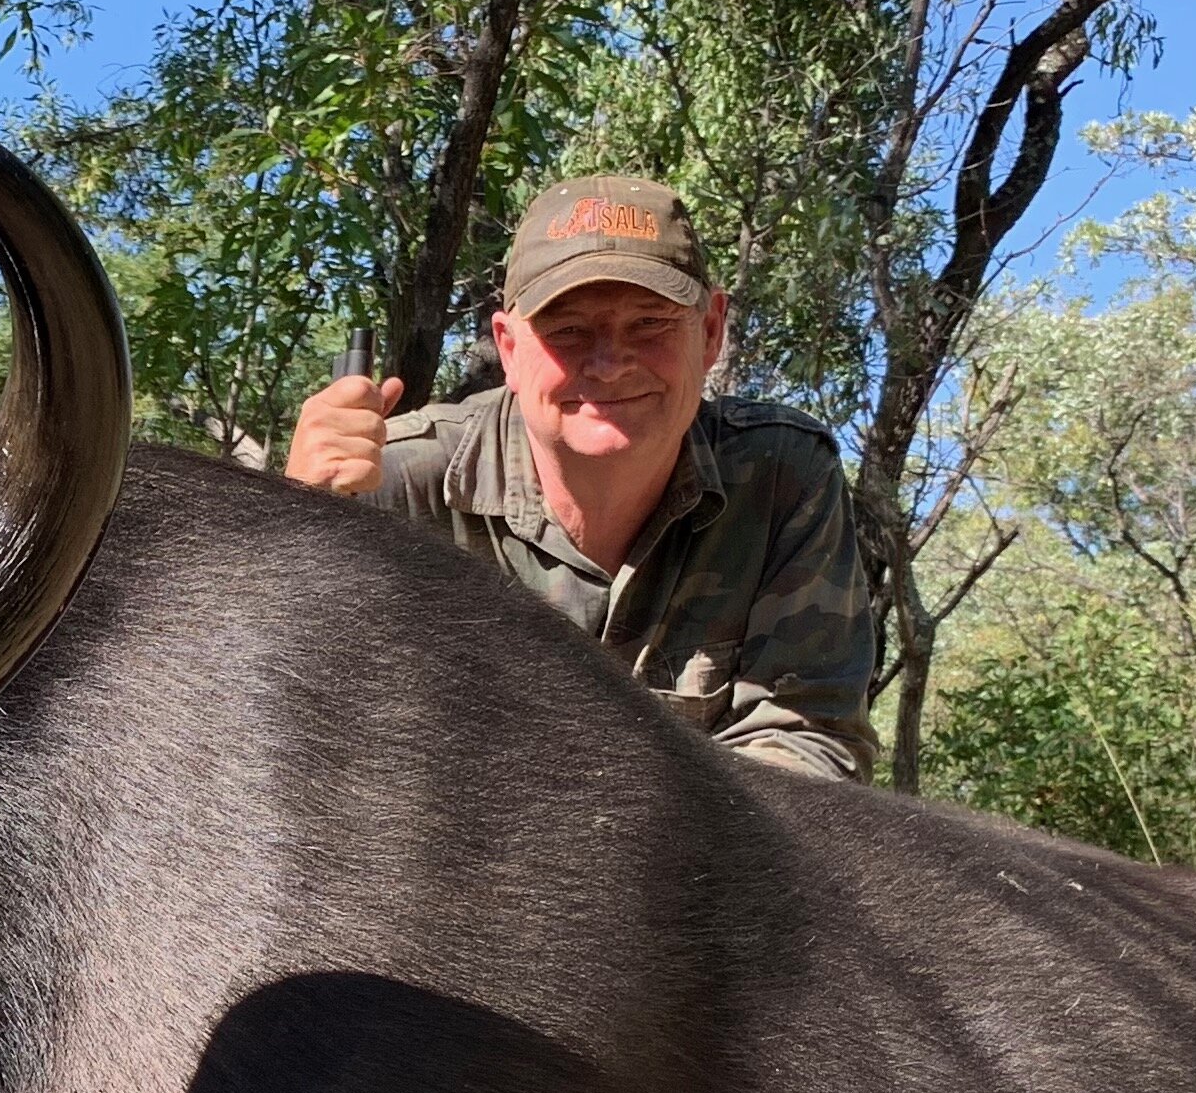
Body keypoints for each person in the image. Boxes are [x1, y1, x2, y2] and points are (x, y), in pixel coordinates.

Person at [283, 175, 879, 779]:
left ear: (710, 332)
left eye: (649, 322)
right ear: (509, 350)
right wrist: (290, 529)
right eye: (568, 330)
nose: (611, 362)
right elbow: (277, 737)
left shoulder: (781, 478)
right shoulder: (385, 487)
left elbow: (810, 745)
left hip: (697, 871)